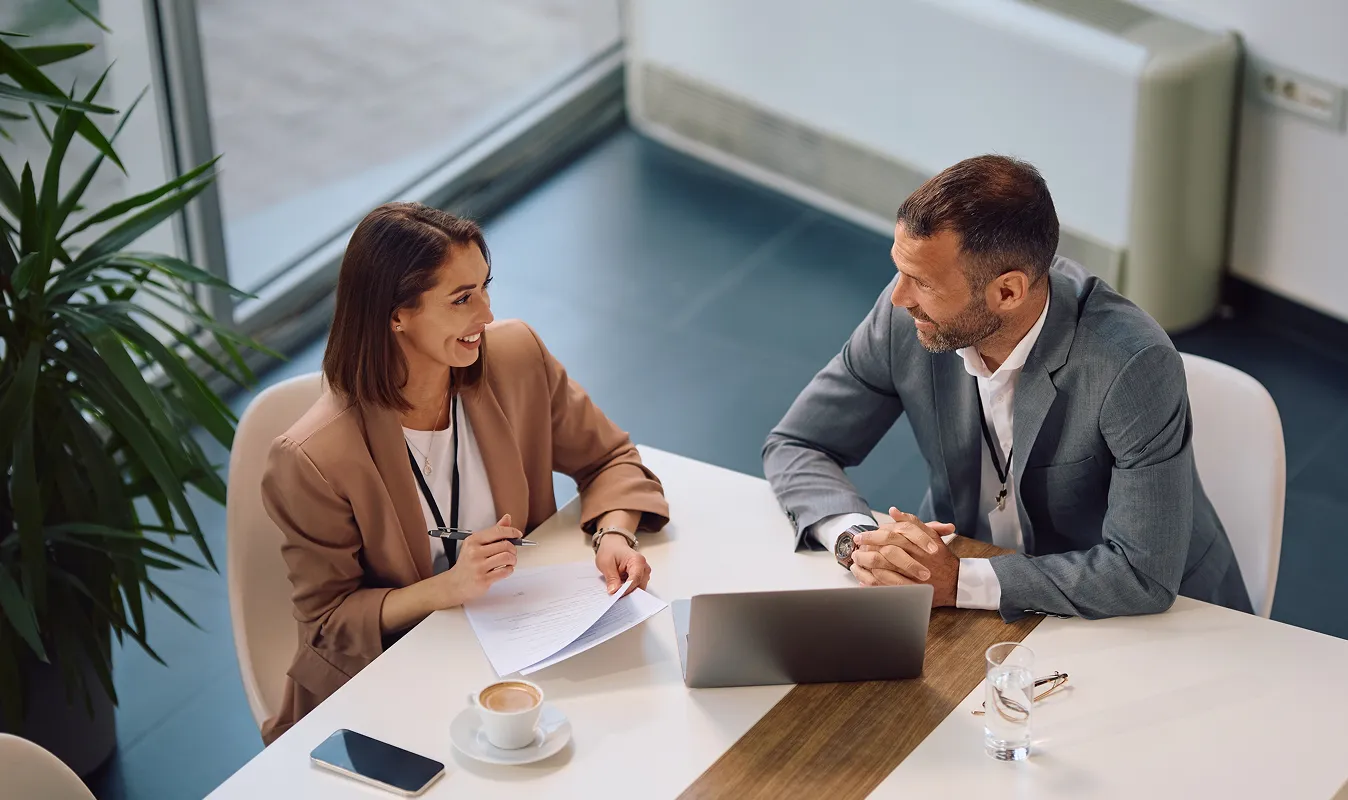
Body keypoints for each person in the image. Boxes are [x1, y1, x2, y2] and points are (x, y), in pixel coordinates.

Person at [763, 155, 1251, 622]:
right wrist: (860, 544)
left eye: (923, 282)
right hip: (972, 591)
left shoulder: (1132, 364)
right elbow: (798, 444)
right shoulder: (904, 319)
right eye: (901, 270)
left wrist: (959, 582)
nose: (898, 297)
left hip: (1146, 616)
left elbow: (1141, 575)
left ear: (1007, 292)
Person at [259, 202, 669, 744]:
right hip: (398, 680)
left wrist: (614, 533)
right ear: (395, 314)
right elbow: (329, 623)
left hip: (529, 648)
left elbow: (610, 458)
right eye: (462, 299)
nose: (487, 315)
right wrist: (447, 588)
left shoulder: (516, 358)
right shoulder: (312, 457)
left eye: (484, 288)